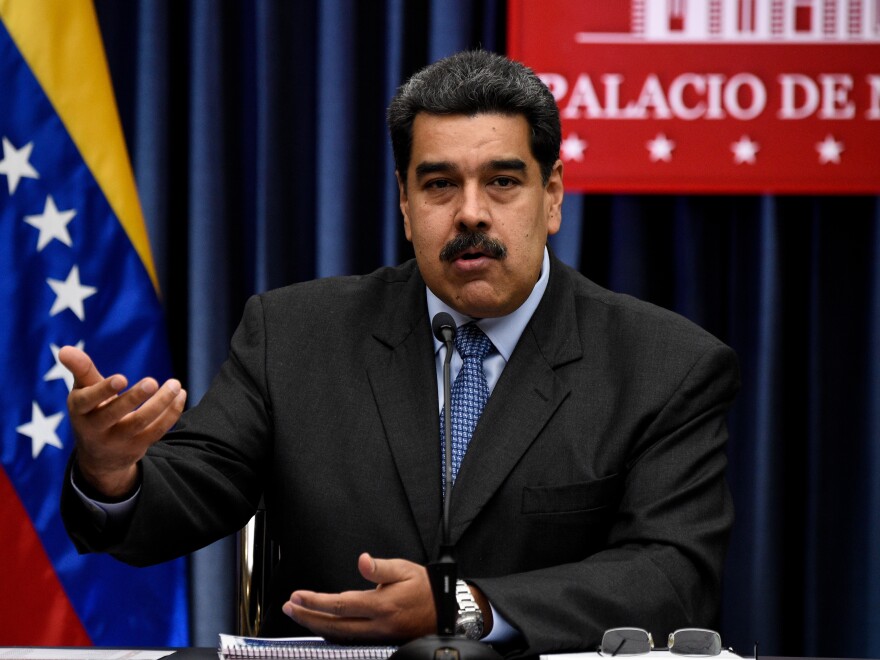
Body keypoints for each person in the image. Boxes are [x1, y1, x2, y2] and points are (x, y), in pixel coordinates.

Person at [60, 50, 740, 657]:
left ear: (552, 195)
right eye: (440, 184)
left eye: (503, 181)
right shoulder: (296, 334)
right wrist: (113, 471)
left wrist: (466, 605)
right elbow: (188, 495)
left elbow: (672, 573)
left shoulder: (664, 365)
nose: (471, 213)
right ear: (406, 203)